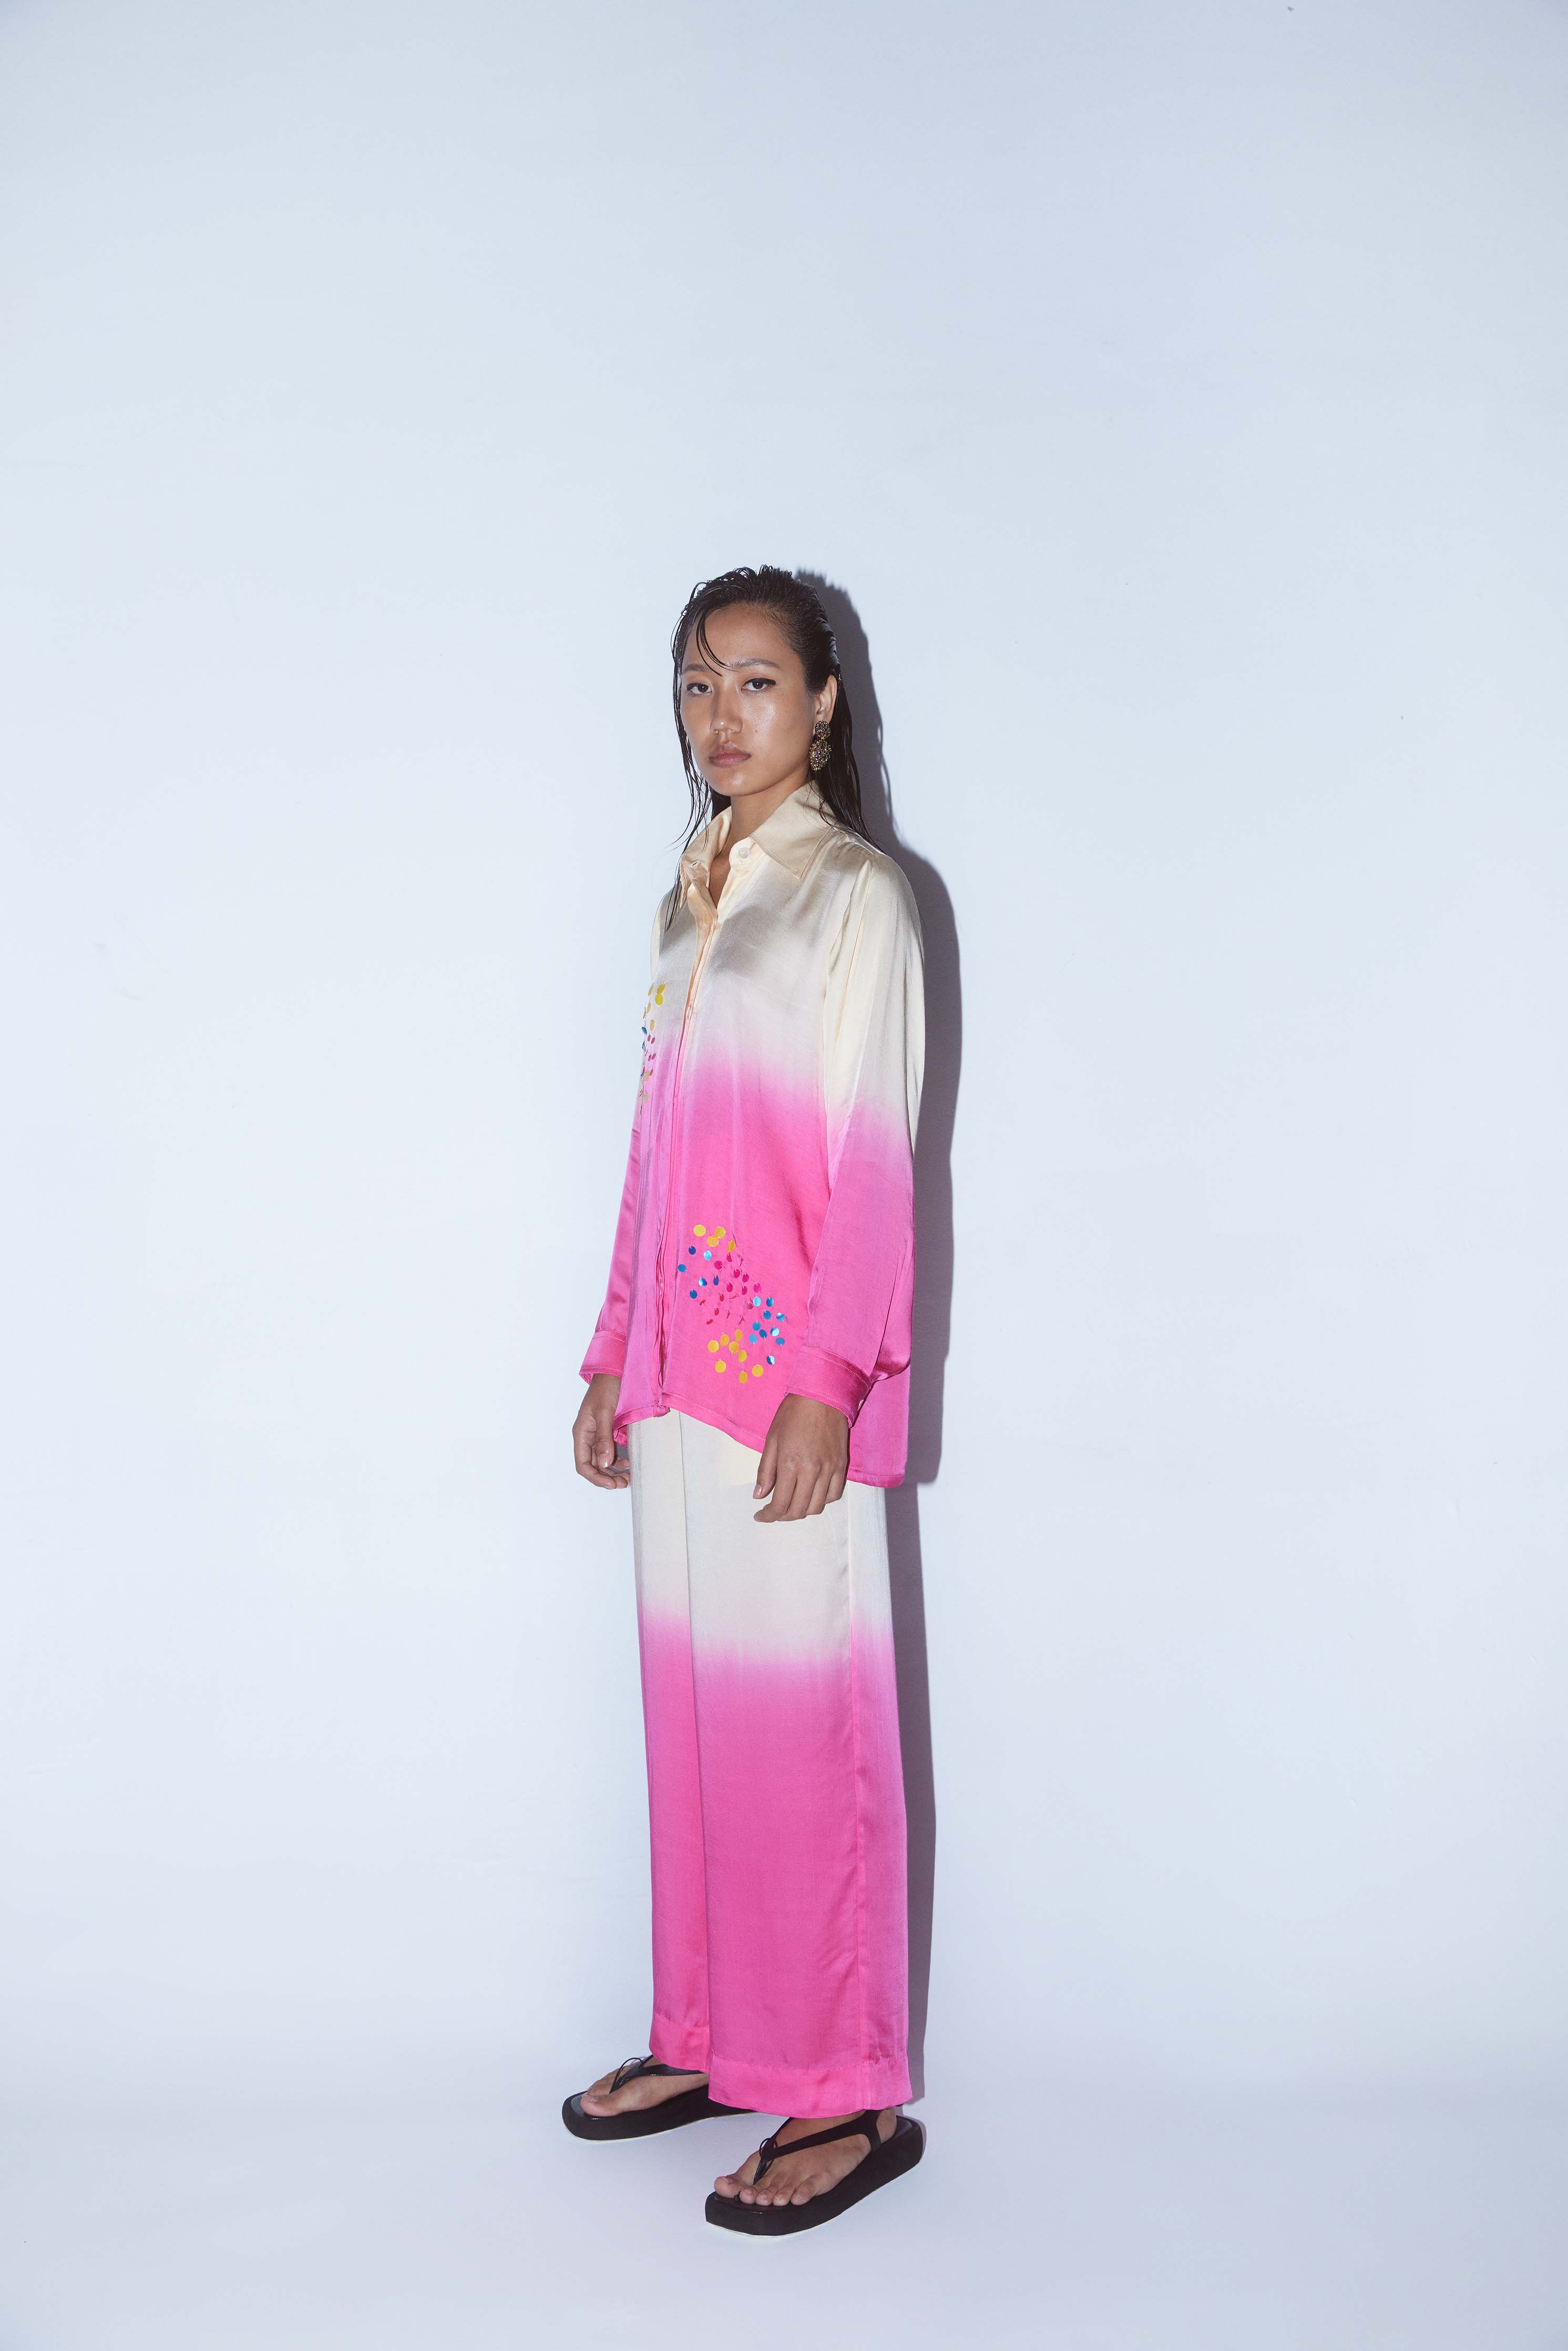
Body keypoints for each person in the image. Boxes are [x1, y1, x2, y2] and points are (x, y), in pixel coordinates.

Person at [562, 566, 926, 2235]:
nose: (722, 715)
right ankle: (712, 2036)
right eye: (698, 684)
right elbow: (654, 1153)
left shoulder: (856, 895)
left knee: (803, 1738)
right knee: (697, 1726)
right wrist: (610, 1352)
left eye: (757, 682)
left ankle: (844, 2090)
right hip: (675, 1384)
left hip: (785, 1390)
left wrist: (827, 1383)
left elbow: (874, 1158)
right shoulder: (690, 897)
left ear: (825, 703)